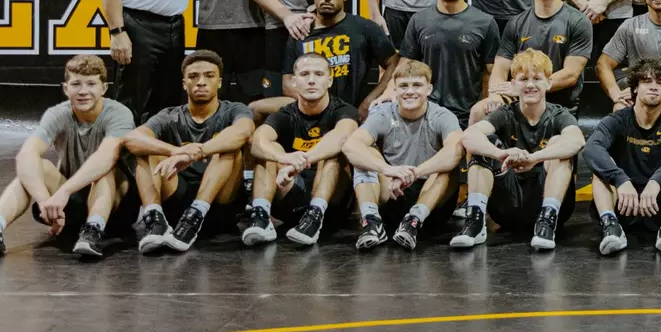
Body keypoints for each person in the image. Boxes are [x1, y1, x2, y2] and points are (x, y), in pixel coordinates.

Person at [0, 55, 135, 260]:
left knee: (105, 171)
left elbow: (106, 156)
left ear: (104, 88)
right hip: (74, 203)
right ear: (65, 88)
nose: (83, 91)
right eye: (76, 84)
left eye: (91, 84)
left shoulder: (119, 114)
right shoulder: (57, 114)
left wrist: (64, 191)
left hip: (116, 207)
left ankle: (94, 230)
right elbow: (26, 154)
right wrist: (45, 201)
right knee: (40, 166)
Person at [124, 50, 254, 253]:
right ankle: (156, 221)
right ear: (184, 84)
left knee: (230, 147)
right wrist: (175, 150)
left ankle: (196, 214)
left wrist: (195, 153)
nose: (201, 82)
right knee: (146, 150)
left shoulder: (234, 109)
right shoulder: (169, 115)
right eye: (193, 76)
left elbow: (244, 131)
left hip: (221, 203)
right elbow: (132, 139)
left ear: (219, 82)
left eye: (209, 76)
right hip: (178, 201)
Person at [454, 49, 585, 250]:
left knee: (559, 142)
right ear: (513, 85)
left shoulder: (559, 115)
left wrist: (535, 158)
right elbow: (469, 136)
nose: (530, 85)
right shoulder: (505, 114)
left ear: (549, 83)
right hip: (507, 207)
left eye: (537, 79)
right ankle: (475, 222)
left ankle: (547, 221)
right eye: (523, 79)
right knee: (483, 142)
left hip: (547, 201)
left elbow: (577, 140)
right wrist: (501, 154)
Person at [342, 59, 464, 251]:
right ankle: (371, 222)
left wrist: (414, 173)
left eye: (417, 85)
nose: (410, 91)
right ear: (395, 90)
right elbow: (350, 146)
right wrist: (388, 170)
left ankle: (413, 220)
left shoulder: (442, 115)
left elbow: (456, 151)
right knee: (365, 154)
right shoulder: (383, 113)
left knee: (448, 162)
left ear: (429, 89)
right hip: (393, 192)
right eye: (404, 86)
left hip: (430, 200)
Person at [583, 58, 661, 257]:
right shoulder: (616, 121)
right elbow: (591, 149)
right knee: (600, 167)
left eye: (660, 83)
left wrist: (656, 181)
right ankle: (610, 225)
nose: (653, 87)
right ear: (634, 88)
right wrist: (620, 179)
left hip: (659, 203)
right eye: (646, 81)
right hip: (623, 202)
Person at [245, 53, 359, 247]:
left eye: (319, 74)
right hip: (292, 195)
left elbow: (342, 136)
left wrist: (303, 160)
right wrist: (284, 158)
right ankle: (262, 217)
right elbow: (257, 142)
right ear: (294, 82)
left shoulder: (344, 110)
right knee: (268, 151)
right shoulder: (285, 114)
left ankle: (315, 215)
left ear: (329, 81)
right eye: (305, 74)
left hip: (332, 203)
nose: (311, 80)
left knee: (333, 153)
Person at [471, 0, 592, 124]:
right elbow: (500, 68)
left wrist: (526, 87)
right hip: (521, 103)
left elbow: (570, 75)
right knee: (478, 111)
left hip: (560, 107)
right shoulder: (516, 23)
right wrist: (496, 94)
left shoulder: (578, 21)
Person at [281, 0, 398, 116]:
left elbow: (394, 63)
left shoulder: (365, 28)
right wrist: (318, 104)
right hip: (312, 116)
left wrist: (370, 101)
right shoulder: (301, 32)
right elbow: (288, 83)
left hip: (355, 115)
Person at [398, 0, 500, 122]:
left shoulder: (485, 22)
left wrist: (487, 105)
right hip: (426, 115)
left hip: (468, 116)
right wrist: (389, 91)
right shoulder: (419, 20)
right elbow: (404, 67)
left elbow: (493, 72)